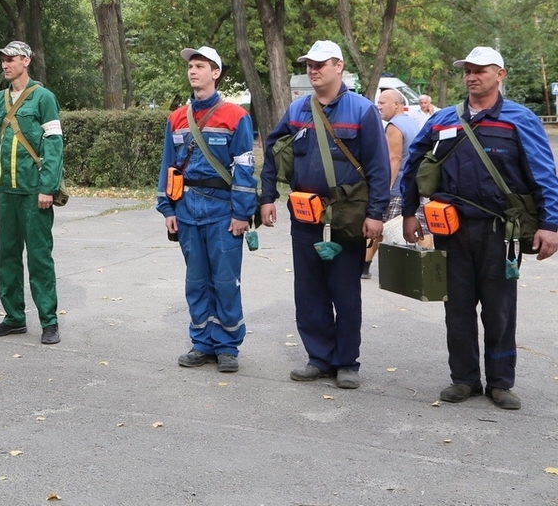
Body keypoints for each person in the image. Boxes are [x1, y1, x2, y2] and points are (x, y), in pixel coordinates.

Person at [400, 46, 558, 411]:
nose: (472, 76)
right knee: (455, 308)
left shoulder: (520, 119)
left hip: (499, 232)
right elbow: (413, 165)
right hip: (449, 229)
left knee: (499, 310)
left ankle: (501, 383)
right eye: (468, 70)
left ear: (500, 74)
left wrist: (550, 225)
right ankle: (465, 379)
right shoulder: (443, 119)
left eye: (481, 70)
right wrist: (409, 212)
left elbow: (544, 175)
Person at [260, 40, 390, 389]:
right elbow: (272, 152)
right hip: (305, 214)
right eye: (308, 65)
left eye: (320, 64)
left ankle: (347, 362)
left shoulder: (362, 111)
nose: (313, 70)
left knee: (344, 290)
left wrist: (376, 214)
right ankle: (319, 358)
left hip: (346, 215)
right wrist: (267, 197)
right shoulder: (297, 111)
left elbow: (379, 168)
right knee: (309, 290)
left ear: (339, 66)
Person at [157, 47, 257, 373]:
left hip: (223, 210)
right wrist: (167, 208)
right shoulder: (175, 118)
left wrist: (242, 213)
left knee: (226, 280)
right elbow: (168, 167)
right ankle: (202, 342)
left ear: (216, 73)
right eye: (191, 66)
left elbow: (244, 168)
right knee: (196, 281)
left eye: (200, 66)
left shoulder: (236, 116)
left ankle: (227, 346)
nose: (193, 71)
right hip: (187, 209)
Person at [0, 40, 65, 345]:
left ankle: (49, 320)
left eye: (11, 59)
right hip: (6, 193)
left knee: (40, 257)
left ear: (26, 61)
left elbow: (54, 144)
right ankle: (14, 318)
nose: (6, 64)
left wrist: (48, 187)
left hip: (34, 193)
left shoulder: (44, 98)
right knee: (7, 256)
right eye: (3, 59)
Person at [365, 89, 420, 278]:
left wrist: (384, 189)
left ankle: (365, 267)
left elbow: (394, 158)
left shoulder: (394, 126)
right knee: (421, 229)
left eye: (382, 102)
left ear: (396, 105)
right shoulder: (411, 122)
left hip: (397, 187)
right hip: (413, 185)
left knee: (380, 226)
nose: (378, 106)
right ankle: (424, 266)